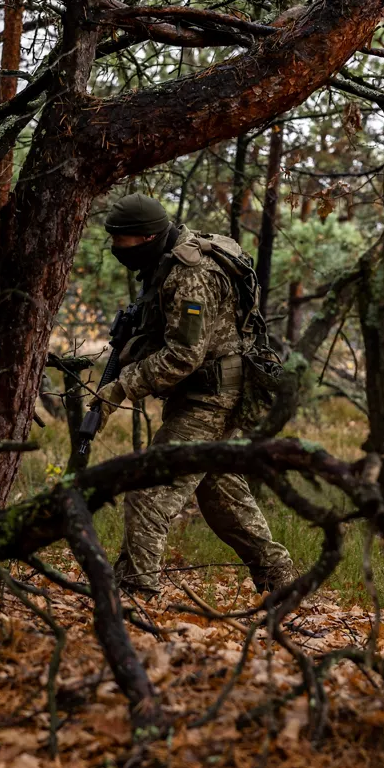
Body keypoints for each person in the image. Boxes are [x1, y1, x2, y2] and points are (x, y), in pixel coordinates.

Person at [91, 193, 295, 595]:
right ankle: (281, 579)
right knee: (223, 498)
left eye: (123, 241)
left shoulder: (190, 274)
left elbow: (184, 355)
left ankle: (135, 596)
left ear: (148, 237)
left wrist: (120, 387)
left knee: (149, 492)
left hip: (211, 398)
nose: (116, 249)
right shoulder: (164, 262)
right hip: (208, 392)